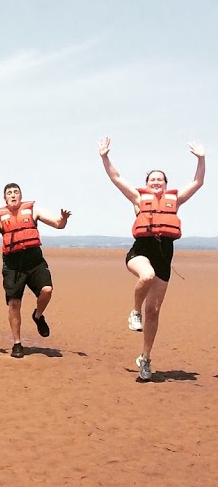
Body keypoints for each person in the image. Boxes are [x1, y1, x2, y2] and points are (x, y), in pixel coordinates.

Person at [98, 137, 205, 382]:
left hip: (164, 257)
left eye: (160, 180)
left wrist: (201, 158)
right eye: (152, 179)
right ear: (146, 184)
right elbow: (116, 178)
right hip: (140, 253)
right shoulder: (138, 198)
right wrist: (105, 157)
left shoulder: (174, 201)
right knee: (146, 276)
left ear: (166, 185)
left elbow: (197, 182)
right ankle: (134, 312)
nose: (156, 182)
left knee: (154, 311)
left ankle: (145, 359)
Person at [0, 184, 71, 358]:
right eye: (9, 193)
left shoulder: (33, 210)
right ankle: (17, 343)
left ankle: (38, 315)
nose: (13, 195)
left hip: (34, 260)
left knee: (47, 290)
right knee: (14, 304)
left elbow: (59, 225)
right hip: (13, 265)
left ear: (21, 195)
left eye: (16, 192)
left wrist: (63, 218)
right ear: (5, 198)